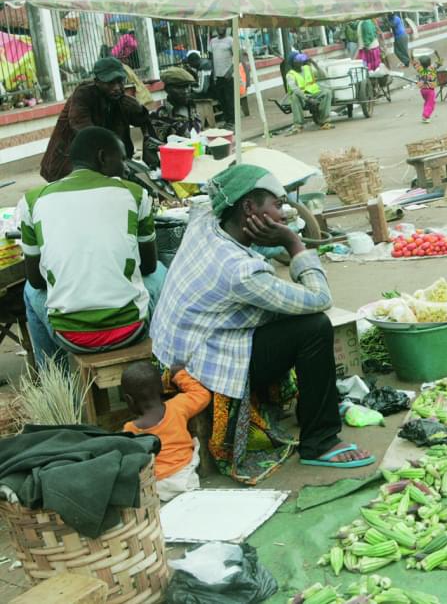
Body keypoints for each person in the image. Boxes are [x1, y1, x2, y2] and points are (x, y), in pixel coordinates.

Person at [152, 164, 374, 481]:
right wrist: (293, 244)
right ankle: (320, 441)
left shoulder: (205, 219)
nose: (283, 213)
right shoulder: (240, 272)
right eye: (276, 204)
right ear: (249, 208)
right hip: (201, 365)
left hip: (177, 345)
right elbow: (320, 298)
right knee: (314, 327)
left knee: (291, 320)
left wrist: (279, 235)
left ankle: (314, 406)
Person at [20, 127, 167, 368]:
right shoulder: (135, 194)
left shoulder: (33, 200)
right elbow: (148, 265)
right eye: (122, 159)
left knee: (29, 290)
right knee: (161, 272)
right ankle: (163, 363)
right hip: (131, 328)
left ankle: (57, 385)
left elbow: (37, 281)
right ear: (102, 157)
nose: (126, 167)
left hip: (69, 337)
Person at [40, 57, 157, 182]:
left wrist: (139, 110)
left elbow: (141, 120)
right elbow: (85, 131)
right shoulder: (84, 95)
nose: (117, 87)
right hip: (69, 163)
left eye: (120, 82)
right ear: (97, 82)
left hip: (103, 161)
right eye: (110, 83)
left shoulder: (120, 99)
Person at [122, 362, 210, 502]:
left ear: (129, 400)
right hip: (186, 477)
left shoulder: (130, 429)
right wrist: (179, 374)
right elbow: (203, 395)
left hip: (156, 486)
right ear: (162, 388)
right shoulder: (178, 406)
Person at [285, 52, 333, 134]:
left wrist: (314, 64)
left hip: (314, 92)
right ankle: (298, 125)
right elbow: (295, 89)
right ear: (293, 63)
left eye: (300, 58)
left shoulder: (307, 68)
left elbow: (322, 75)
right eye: (297, 60)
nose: (300, 61)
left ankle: (324, 121)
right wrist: (307, 99)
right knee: (294, 97)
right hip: (302, 96)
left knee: (327, 92)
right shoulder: (290, 75)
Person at [209, 27, 236, 125]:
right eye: (218, 26)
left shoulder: (231, 40)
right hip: (217, 77)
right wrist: (213, 75)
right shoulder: (212, 42)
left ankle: (233, 121)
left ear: (226, 28)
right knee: (222, 101)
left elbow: (238, 57)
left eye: (222, 26)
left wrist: (230, 71)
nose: (220, 28)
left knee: (230, 100)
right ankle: (228, 121)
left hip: (228, 76)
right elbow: (211, 59)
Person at [415, 51, 441, 123]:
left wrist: (412, 57)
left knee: (427, 102)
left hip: (423, 90)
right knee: (431, 104)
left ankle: (426, 115)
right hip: (430, 90)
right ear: (429, 63)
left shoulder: (420, 70)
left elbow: (415, 64)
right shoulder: (432, 69)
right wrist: (437, 54)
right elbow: (439, 62)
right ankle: (425, 116)